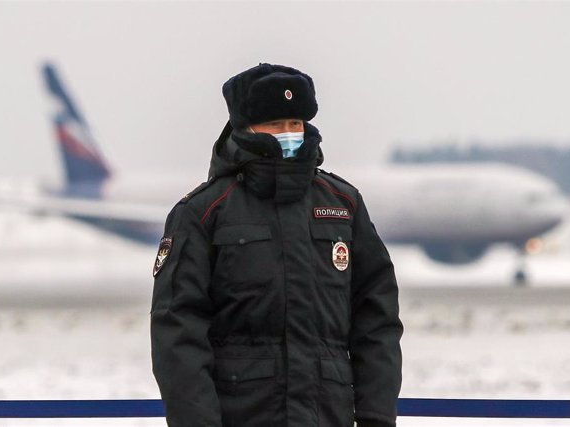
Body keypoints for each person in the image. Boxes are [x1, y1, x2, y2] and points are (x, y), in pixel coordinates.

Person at [150, 63, 403, 427]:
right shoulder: (203, 213)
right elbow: (178, 332)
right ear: (245, 129)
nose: (287, 135)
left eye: (294, 124)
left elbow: (377, 319)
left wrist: (376, 415)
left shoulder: (343, 205)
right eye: (274, 125)